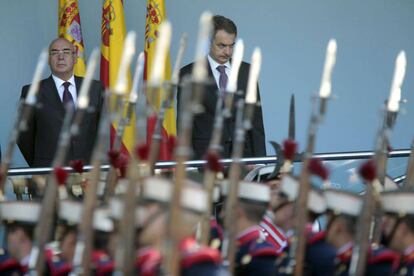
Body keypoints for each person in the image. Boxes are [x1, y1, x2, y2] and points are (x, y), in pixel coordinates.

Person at [177, 15, 266, 160]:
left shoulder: (247, 72)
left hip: (243, 159)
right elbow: (184, 125)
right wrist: (188, 167)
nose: (228, 52)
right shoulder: (189, 74)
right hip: (205, 159)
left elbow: (256, 122)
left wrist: (261, 163)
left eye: (232, 45)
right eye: (222, 46)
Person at [17, 37, 104, 167]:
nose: (61, 57)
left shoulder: (95, 88)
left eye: (66, 52)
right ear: (48, 59)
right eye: (55, 52)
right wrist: (41, 165)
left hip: (87, 172)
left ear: (75, 58)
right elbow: (23, 136)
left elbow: (102, 130)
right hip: (48, 174)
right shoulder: (32, 91)